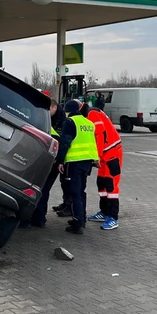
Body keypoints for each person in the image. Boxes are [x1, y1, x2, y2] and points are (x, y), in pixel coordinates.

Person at [55, 99, 99, 234]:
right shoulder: (89, 123)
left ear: (67, 111)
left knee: (74, 193)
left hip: (74, 162)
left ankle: (77, 223)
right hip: (87, 163)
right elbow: (92, 142)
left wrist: (60, 161)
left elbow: (65, 143)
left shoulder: (70, 122)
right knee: (81, 191)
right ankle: (82, 219)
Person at [20, 94, 63, 228]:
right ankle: (39, 220)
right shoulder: (53, 127)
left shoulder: (38, 126)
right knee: (43, 192)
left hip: (40, 165)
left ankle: (27, 219)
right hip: (52, 165)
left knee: (32, 192)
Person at [86, 95, 123, 230]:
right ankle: (104, 212)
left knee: (111, 184)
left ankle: (113, 217)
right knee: (101, 182)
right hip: (106, 153)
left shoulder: (93, 114)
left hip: (112, 153)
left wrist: (97, 155)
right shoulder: (94, 112)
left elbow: (100, 135)